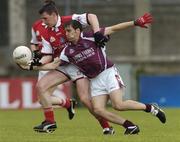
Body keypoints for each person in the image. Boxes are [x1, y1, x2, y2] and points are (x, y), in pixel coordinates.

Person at [42, 13, 166, 135]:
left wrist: (135, 23)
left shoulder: (90, 36)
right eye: (65, 31)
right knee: (98, 110)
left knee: (118, 105)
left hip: (108, 73)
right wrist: (31, 66)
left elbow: (114, 28)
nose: (66, 34)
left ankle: (151, 108)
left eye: (69, 31)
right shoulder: (67, 51)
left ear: (78, 30)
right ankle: (129, 125)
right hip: (95, 80)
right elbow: (53, 65)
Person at [26, 0, 114, 134]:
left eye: (45, 18)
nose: (43, 22)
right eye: (42, 19)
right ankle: (50, 122)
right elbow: (48, 55)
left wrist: (97, 32)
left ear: (55, 15)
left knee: (85, 99)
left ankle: (106, 126)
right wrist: (37, 62)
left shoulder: (70, 20)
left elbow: (92, 16)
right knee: (40, 87)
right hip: (61, 65)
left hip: (78, 65)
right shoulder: (45, 32)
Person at [30, 18, 76, 121]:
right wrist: (35, 54)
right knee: (42, 100)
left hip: (58, 63)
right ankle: (68, 104)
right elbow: (33, 43)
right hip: (44, 62)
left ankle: (49, 122)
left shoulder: (61, 25)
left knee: (86, 98)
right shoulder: (36, 25)